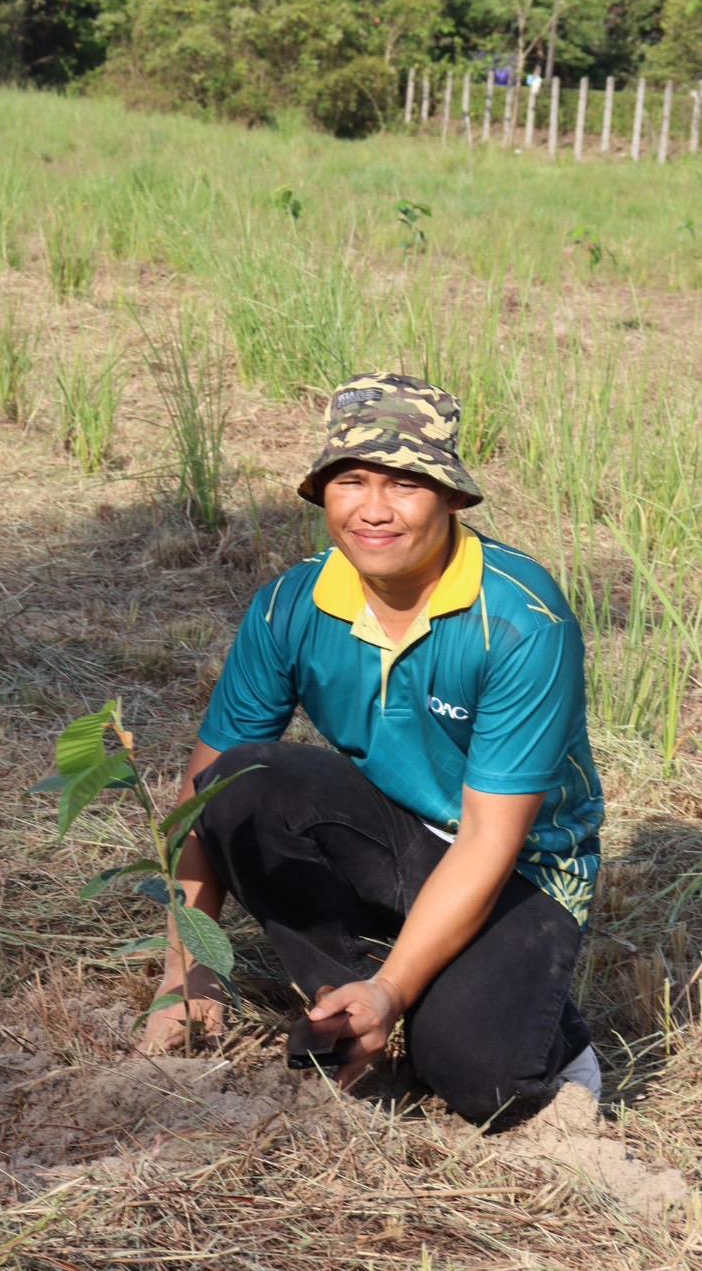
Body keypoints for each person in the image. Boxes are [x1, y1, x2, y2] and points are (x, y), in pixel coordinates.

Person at [142, 373, 604, 1123]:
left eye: (405, 484)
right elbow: (201, 792)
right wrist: (186, 970)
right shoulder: (290, 605)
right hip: (395, 835)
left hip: (521, 868)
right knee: (241, 781)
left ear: (451, 498)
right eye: (351, 480)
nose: (374, 510)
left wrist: (396, 990)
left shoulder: (521, 621)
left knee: (482, 1082)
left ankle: (545, 1030)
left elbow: (489, 838)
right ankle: (345, 994)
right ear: (323, 491)